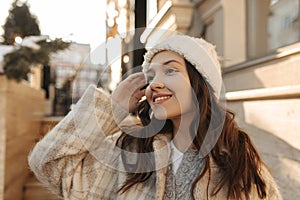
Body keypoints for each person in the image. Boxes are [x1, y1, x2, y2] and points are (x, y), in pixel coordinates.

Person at [28, 34, 282, 200]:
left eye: (170, 70)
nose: (155, 84)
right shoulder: (129, 150)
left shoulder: (239, 162)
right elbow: (48, 164)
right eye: (150, 77)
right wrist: (112, 109)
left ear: (201, 83)